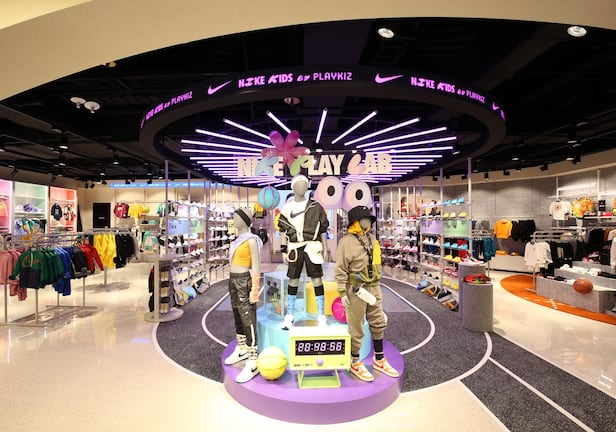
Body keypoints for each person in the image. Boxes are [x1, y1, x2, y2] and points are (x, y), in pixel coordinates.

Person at [335, 205, 399, 382]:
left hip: (374, 286)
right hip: (356, 289)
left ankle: (379, 359)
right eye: (363, 219)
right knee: (356, 326)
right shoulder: (346, 242)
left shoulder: (373, 239)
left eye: (368, 219)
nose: (367, 222)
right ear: (354, 222)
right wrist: (342, 292)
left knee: (378, 321)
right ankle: (355, 361)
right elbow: (340, 269)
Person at [277, 175, 329, 328]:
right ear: (293, 188)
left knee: (317, 279)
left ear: (307, 187)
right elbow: (283, 231)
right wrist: (283, 250)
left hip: (313, 246)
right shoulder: (287, 208)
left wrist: (325, 248)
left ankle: (321, 314)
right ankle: (290, 314)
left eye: (303, 184)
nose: (301, 187)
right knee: (293, 279)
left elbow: (323, 229)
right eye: (298, 185)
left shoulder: (316, 207)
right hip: (294, 247)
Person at [223, 208, 263, 383]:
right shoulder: (236, 241)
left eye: (236, 217)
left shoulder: (252, 240)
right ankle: (242, 347)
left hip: (244, 280)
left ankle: (253, 356)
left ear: (244, 220)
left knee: (247, 316)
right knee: (236, 313)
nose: (233, 219)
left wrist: (255, 288)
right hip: (233, 279)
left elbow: (256, 266)